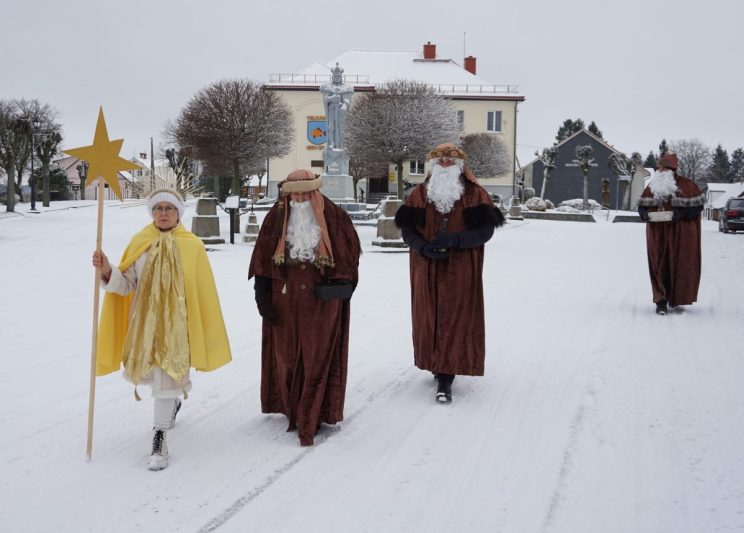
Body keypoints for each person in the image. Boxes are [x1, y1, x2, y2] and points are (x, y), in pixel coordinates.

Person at [92, 189, 232, 470]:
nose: (164, 213)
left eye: (169, 208)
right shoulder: (140, 242)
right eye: (158, 209)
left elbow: (199, 290)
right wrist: (107, 269)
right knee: (157, 376)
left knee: (169, 377)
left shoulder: (191, 246)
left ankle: (159, 436)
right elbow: (125, 284)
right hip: (146, 325)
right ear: (152, 213)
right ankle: (171, 407)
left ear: (179, 213)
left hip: (178, 327)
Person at [249, 170, 361, 446]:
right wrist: (262, 296)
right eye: (294, 193)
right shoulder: (275, 217)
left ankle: (312, 415)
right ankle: (291, 407)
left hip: (321, 302)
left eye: (305, 193)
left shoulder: (335, 217)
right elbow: (263, 259)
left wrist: (339, 289)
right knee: (285, 358)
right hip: (283, 300)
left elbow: (349, 259)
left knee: (317, 359)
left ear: (315, 192)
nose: (299, 198)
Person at [394, 143, 504, 403]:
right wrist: (421, 246)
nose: (445, 164)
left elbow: (485, 232)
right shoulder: (419, 194)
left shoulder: (475, 194)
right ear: (432, 165)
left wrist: (455, 240)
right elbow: (407, 230)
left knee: (455, 317)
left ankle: (446, 374)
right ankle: (436, 362)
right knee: (429, 317)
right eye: (440, 160)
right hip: (426, 267)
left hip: (461, 268)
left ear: (460, 165)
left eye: (450, 160)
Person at [637, 153, 704, 315]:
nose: (659, 170)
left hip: (681, 235)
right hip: (657, 235)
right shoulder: (652, 186)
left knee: (680, 265)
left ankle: (677, 297)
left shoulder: (688, 186)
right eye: (659, 167)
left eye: (663, 167)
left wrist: (681, 214)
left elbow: (697, 207)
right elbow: (642, 206)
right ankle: (660, 301)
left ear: (672, 169)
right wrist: (644, 214)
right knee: (658, 265)